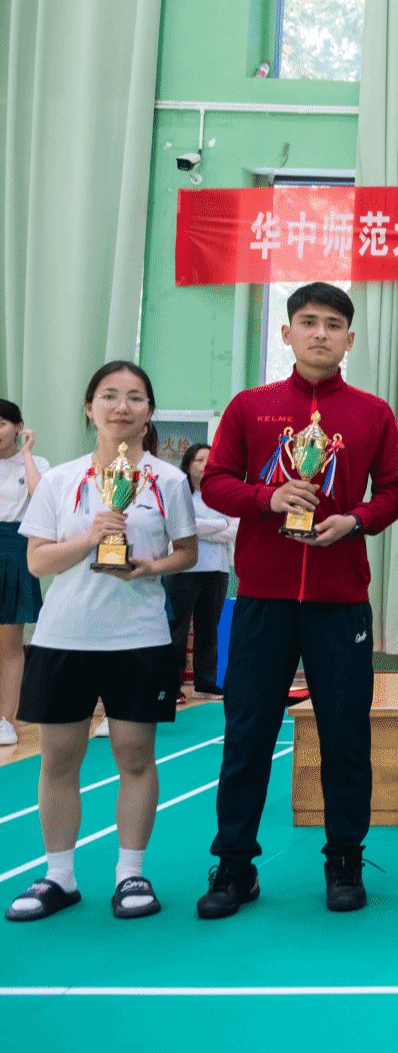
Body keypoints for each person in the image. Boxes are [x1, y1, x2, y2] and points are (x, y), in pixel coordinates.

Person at [197, 282, 398, 918]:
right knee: (247, 733)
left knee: (345, 734)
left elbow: (393, 493)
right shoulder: (250, 407)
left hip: (341, 599)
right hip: (263, 596)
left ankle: (344, 862)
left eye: (333, 324)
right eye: (308, 322)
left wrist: (356, 520)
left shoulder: (372, 413)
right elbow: (215, 483)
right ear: (286, 333)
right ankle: (235, 866)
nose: (321, 333)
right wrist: (268, 498)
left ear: (349, 338)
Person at [5, 363, 196, 921]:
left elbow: (186, 552)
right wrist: (90, 536)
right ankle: (58, 877)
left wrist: (149, 568)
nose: (122, 407)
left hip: (139, 638)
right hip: (64, 637)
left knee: (134, 757)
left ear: (149, 412)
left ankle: (130, 874)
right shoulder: (61, 480)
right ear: (90, 409)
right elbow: (37, 561)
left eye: (135, 397)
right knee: (59, 759)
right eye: (109, 396)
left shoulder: (169, 481)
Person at [165, 443, 236, 699]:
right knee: (178, 629)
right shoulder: (179, 494)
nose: (206, 464)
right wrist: (219, 524)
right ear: (188, 465)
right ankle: (171, 687)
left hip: (217, 570)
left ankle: (205, 683)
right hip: (183, 569)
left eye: (210, 459)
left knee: (209, 629)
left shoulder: (223, 494)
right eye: (199, 460)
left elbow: (234, 529)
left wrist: (199, 529)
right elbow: (181, 527)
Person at [0, 399, 48, 747]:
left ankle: (5, 720)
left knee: (10, 644)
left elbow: (40, 497)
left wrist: (27, 453)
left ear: (19, 427)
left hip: (15, 550)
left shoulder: (37, 462)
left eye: (1, 424)